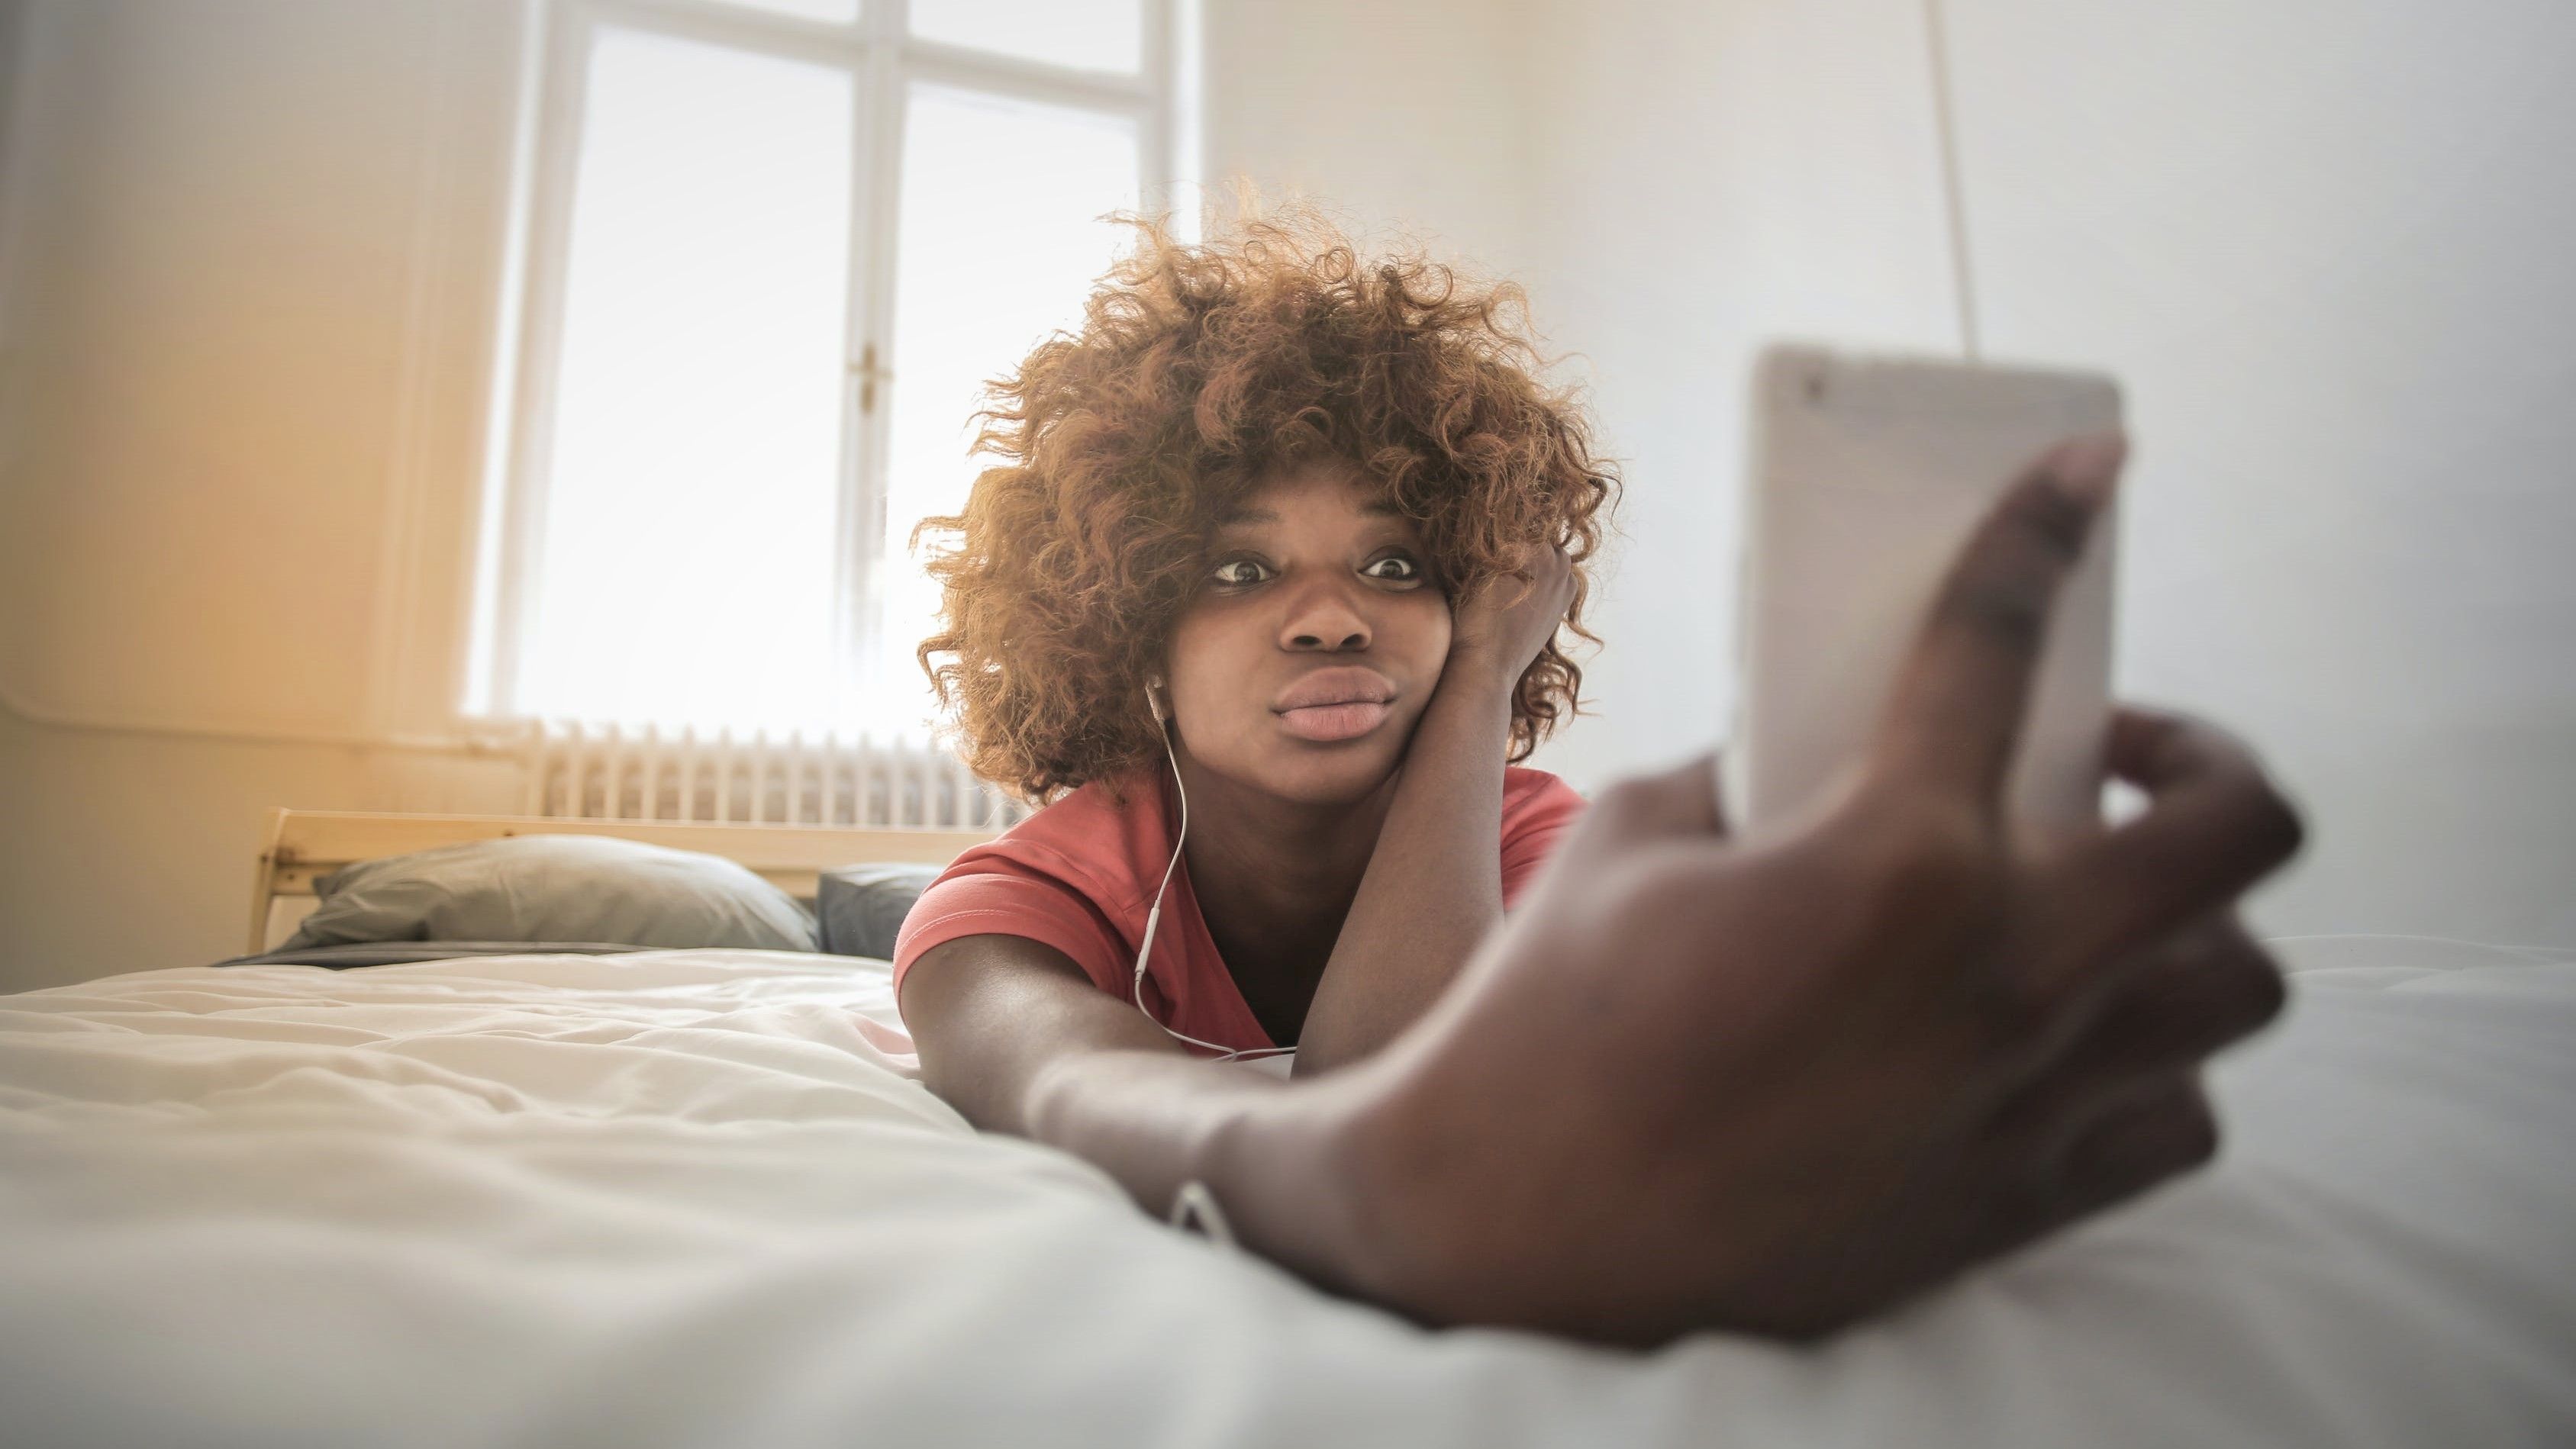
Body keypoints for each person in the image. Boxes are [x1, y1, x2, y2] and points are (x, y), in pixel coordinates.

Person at [898, 211, 2305, 1348]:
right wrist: (1385, 1197)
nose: (1332, 617)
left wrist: (1480, 699)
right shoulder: (1015, 901)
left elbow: (1402, 1072)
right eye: (1241, 568)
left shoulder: (1529, 826)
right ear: (1126, 625)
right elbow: (1103, 1088)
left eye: (1396, 565)